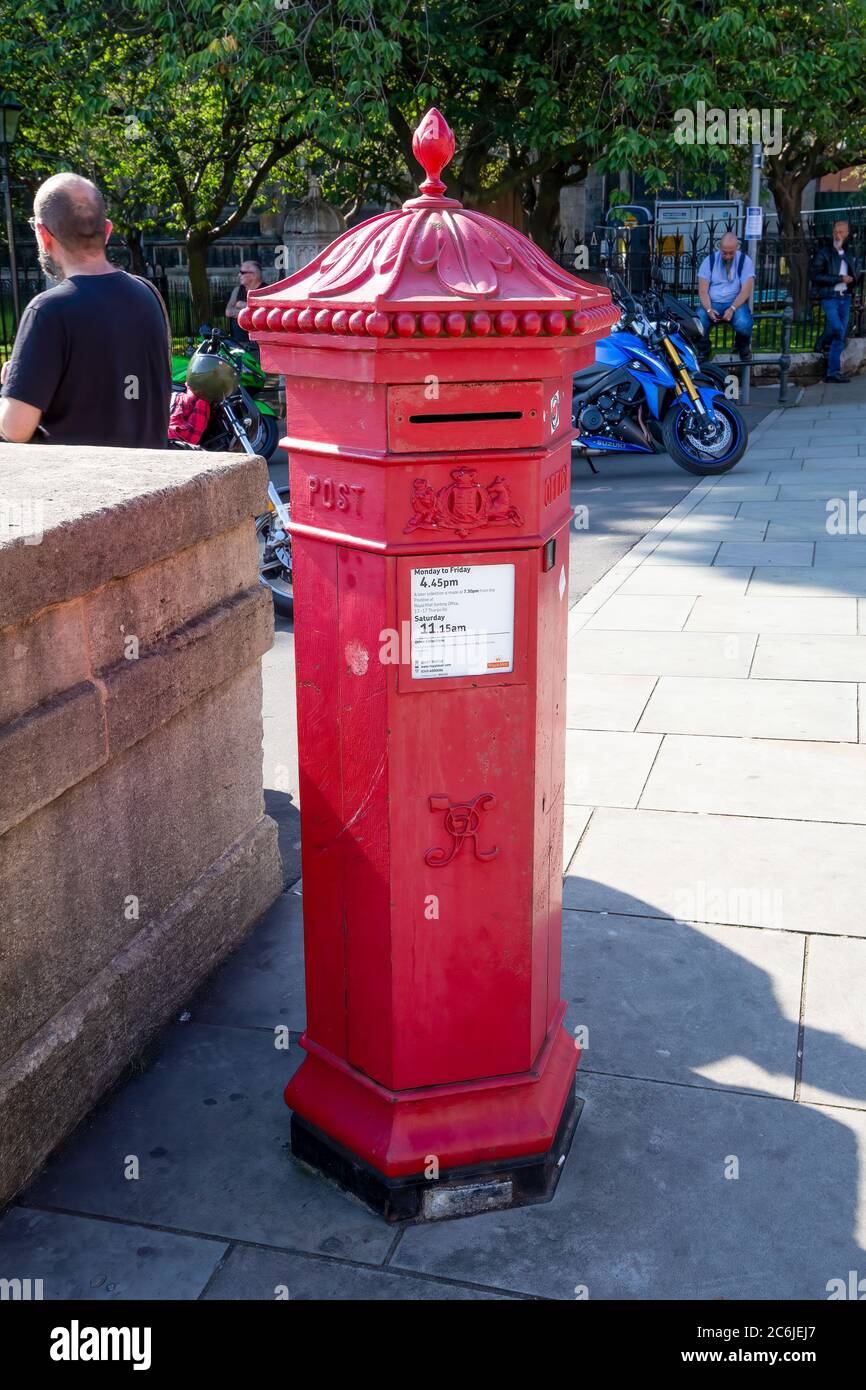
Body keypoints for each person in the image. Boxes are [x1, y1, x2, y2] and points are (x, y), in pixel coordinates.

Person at [0, 173, 170, 446]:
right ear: (107, 230)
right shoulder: (147, 294)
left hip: (83, 483)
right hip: (152, 481)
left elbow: (15, 429)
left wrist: (11, 389)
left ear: (43, 235)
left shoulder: (48, 311)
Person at [810, 221, 862, 384]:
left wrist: (852, 282)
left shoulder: (849, 253)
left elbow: (856, 272)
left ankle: (833, 372)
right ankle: (822, 341)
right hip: (830, 296)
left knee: (838, 336)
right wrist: (839, 279)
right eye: (835, 231)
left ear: (847, 235)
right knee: (838, 329)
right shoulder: (824, 253)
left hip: (845, 297)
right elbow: (816, 276)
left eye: (841, 232)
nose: (837, 235)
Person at [696, 232, 755, 363]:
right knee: (699, 321)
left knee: (744, 323)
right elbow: (703, 291)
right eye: (724, 253)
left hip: (735, 302)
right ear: (719, 248)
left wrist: (732, 308)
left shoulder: (745, 261)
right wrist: (709, 310)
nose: (728, 257)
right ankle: (703, 350)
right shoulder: (708, 262)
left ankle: (742, 346)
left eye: (731, 253)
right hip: (713, 302)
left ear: (737, 248)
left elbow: (746, 291)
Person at [225, 260, 263, 346]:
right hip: (239, 342)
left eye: (242, 272)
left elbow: (265, 312)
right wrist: (250, 310)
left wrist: (242, 305)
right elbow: (228, 311)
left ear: (253, 274)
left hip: (258, 343)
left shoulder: (266, 290)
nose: (239, 275)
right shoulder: (238, 290)